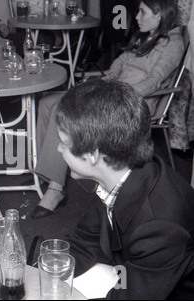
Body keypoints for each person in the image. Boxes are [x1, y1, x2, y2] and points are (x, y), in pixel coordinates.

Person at [31, 0, 185, 219]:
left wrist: (115, 93)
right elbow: (120, 63)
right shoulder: (144, 37)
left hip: (133, 102)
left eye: (142, 12)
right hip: (112, 93)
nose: (137, 17)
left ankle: (55, 189)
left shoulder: (172, 44)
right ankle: (51, 173)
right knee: (47, 102)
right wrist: (106, 82)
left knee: (60, 109)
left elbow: (153, 81)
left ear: (159, 15)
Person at [58, 79, 194, 299]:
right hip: (139, 274)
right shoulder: (120, 175)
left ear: (92, 154)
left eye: (63, 143)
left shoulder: (159, 226)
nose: (58, 148)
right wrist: (38, 272)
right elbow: (85, 241)